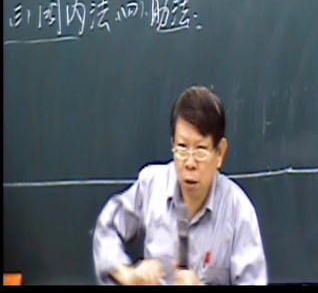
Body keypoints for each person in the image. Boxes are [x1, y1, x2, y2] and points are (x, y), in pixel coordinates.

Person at [92, 86, 267, 285]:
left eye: (200, 150)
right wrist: (127, 275)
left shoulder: (238, 211)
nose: (190, 163)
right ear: (172, 144)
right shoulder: (152, 185)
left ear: (220, 153)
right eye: (182, 148)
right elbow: (107, 228)